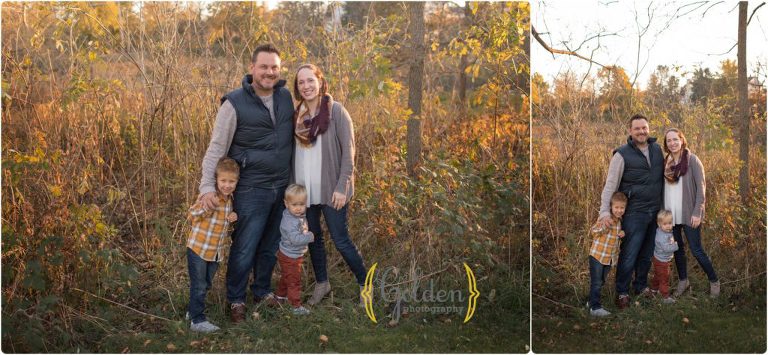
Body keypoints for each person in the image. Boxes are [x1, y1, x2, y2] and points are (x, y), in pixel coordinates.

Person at [196, 44, 295, 323]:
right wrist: (206, 187)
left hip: (281, 186)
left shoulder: (286, 97)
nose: (269, 72)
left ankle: (262, 290)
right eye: (263, 66)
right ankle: (236, 299)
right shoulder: (234, 103)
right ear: (252, 68)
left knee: (269, 246)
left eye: (274, 67)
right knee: (245, 246)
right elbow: (217, 149)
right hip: (251, 188)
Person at [290, 63, 368, 305]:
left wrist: (342, 186)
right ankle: (322, 283)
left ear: (320, 82)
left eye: (310, 80)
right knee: (313, 238)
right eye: (301, 82)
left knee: (341, 239)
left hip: (332, 190)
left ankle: (366, 284)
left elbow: (349, 153)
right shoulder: (297, 116)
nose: (306, 86)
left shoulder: (336, 112)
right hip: (305, 191)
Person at [596, 114, 665, 310]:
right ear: (630, 131)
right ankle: (622, 292)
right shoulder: (621, 154)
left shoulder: (657, 149)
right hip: (634, 213)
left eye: (644, 128)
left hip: (655, 212)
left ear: (648, 129)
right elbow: (610, 186)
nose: (642, 131)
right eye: (637, 128)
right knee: (629, 255)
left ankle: (640, 286)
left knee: (646, 254)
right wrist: (604, 213)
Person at [662, 128, 719, 298]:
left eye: (675, 139)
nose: (672, 143)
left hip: (689, 214)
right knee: (677, 249)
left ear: (681, 140)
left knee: (696, 250)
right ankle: (683, 281)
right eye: (669, 140)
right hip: (671, 215)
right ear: (666, 144)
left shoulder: (693, 160)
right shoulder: (666, 162)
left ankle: (714, 281)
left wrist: (697, 212)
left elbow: (701, 190)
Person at [186, 158, 239, 332]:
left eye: (231, 181)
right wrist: (207, 207)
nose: (227, 185)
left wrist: (232, 218)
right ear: (216, 180)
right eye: (223, 181)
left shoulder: (230, 200)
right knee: (199, 285)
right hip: (198, 248)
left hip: (215, 251)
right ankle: (197, 320)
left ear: (237, 181)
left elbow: (221, 224)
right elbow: (192, 215)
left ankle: (192, 310)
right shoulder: (210, 197)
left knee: (206, 284)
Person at [275, 184, 315, 315]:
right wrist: (310, 236)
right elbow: (295, 239)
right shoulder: (289, 221)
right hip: (290, 256)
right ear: (286, 204)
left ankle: (280, 297)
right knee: (294, 282)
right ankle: (295, 306)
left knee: (287, 277)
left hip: (292, 254)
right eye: (294, 205)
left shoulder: (296, 215)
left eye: (302, 204)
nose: (298, 208)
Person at [587, 191, 627, 317]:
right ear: (611, 207)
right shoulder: (606, 218)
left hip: (609, 259)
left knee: (601, 281)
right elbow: (593, 231)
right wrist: (604, 227)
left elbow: (615, 239)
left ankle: (590, 302)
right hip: (597, 256)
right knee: (597, 282)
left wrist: (622, 234)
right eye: (616, 207)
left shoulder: (620, 222)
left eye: (622, 208)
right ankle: (595, 307)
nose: (619, 210)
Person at [651, 210, 679, 304]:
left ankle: (654, 290)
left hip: (659, 258)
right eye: (665, 224)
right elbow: (666, 248)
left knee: (658, 275)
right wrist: (676, 245)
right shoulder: (661, 236)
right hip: (661, 260)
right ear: (659, 224)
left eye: (670, 223)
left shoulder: (663, 231)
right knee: (664, 278)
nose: (668, 226)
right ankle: (665, 296)